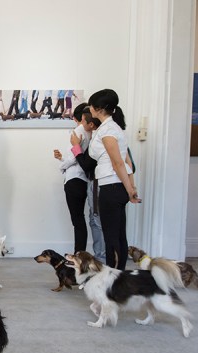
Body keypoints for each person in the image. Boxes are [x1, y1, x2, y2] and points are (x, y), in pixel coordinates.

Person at [83, 89, 139, 270]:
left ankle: (113, 280)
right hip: (116, 187)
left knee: (112, 238)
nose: (89, 108)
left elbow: (118, 163)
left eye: (91, 105)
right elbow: (126, 160)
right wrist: (130, 186)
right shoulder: (114, 128)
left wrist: (130, 189)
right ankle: (118, 277)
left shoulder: (108, 130)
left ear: (98, 108)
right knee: (119, 236)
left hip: (111, 186)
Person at [54, 103, 103, 259]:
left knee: (78, 221)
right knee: (82, 220)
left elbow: (74, 156)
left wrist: (62, 165)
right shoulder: (93, 134)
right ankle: (79, 254)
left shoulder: (78, 131)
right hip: (85, 180)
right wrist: (63, 159)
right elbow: (78, 157)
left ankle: (78, 255)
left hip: (74, 180)